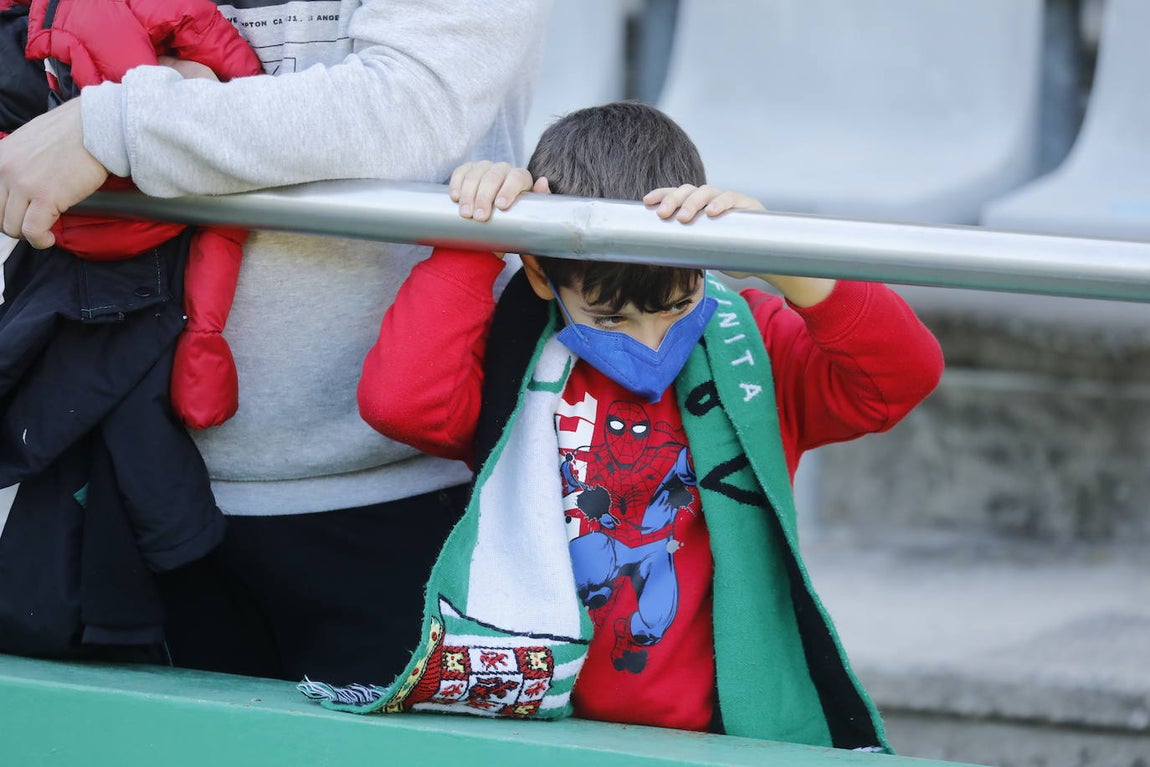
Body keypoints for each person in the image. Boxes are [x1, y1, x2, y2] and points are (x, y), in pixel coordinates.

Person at [300, 102, 944, 752]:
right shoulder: (516, 352)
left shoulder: (753, 343)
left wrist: (785, 257)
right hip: (542, 725)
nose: (651, 341)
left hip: (715, 732)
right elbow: (402, 402)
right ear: (540, 273)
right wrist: (476, 238)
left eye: (677, 305)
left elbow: (901, 375)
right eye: (611, 319)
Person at [0, 0, 550, 684]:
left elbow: (411, 106)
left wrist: (113, 124)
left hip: (406, 493)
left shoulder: (118, 121)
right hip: (135, 470)